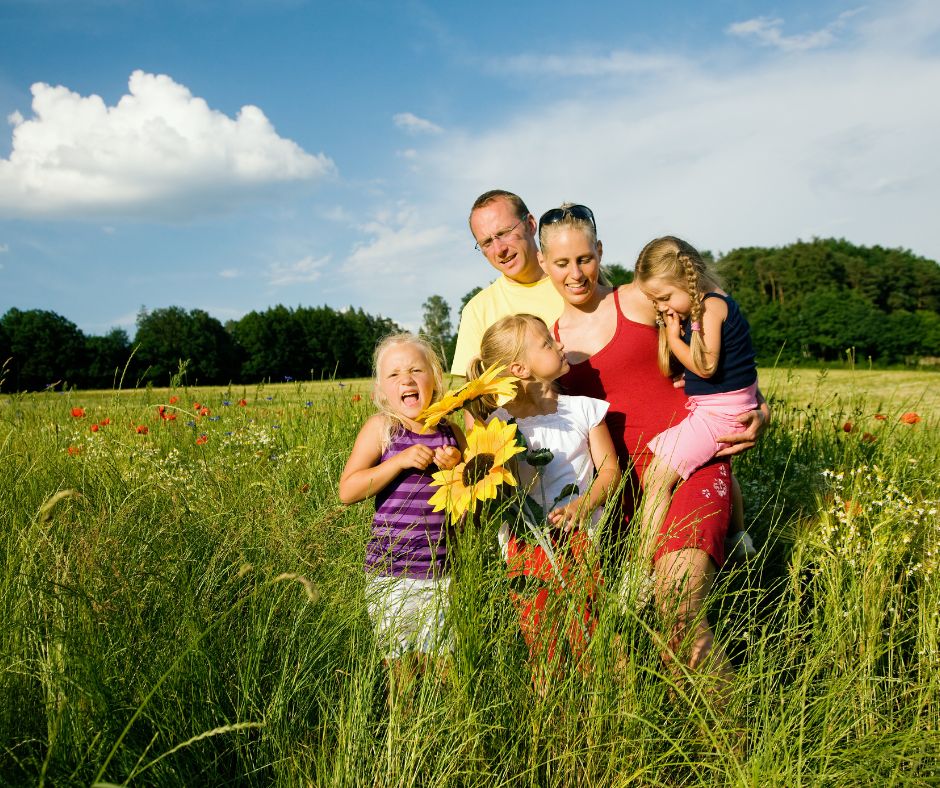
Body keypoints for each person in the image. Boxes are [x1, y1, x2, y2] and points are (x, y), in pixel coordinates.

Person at [536, 203, 769, 699]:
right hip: (618, 499)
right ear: (543, 264)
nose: (576, 273)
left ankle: (743, 750)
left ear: (600, 253)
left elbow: (723, 350)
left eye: (585, 258)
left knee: (679, 609)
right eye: (562, 263)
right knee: (618, 633)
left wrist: (760, 409)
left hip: (691, 468)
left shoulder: (638, 300)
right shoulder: (547, 345)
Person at [466, 314, 620, 679]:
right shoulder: (500, 424)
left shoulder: (583, 409)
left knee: (596, 639)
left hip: (580, 538)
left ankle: (607, 714)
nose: (560, 345)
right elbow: (486, 486)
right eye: (548, 344)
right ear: (519, 368)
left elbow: (611, 471)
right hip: (525, 543)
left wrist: (585, 503)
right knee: (543, 643)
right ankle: (550, 724)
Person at [628, 236, 759, 594]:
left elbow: (706, 364)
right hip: (724, 407)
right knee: (714, 460)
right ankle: (738, 538)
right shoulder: (707, 304)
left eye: (665, 298)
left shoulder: (710, 308)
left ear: (689, 280)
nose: (663, 308)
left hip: (719, 414)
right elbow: (723, 366)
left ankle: (640, 572)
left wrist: (673, 338)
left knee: (657, 477)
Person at [338, 333, 465, 696]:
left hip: (442, 572)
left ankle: (448, 736)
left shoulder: (451, 432)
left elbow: (471, 495)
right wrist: (399, 461)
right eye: (394, 375)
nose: (406, 380)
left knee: (445, 668)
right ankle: (404, 737)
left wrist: (458, 466)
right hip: (389, 573)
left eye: (415, 370)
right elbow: (348, 490)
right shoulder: (382, 430)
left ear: (435, 378)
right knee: (402, 672)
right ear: (381, 389)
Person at [450, 190, 565, 379]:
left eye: (504, 233)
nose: (499, 249)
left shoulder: (573, 281)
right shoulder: (477, 311)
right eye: (487, 242)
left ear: (530, 224)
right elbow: (472, 395)